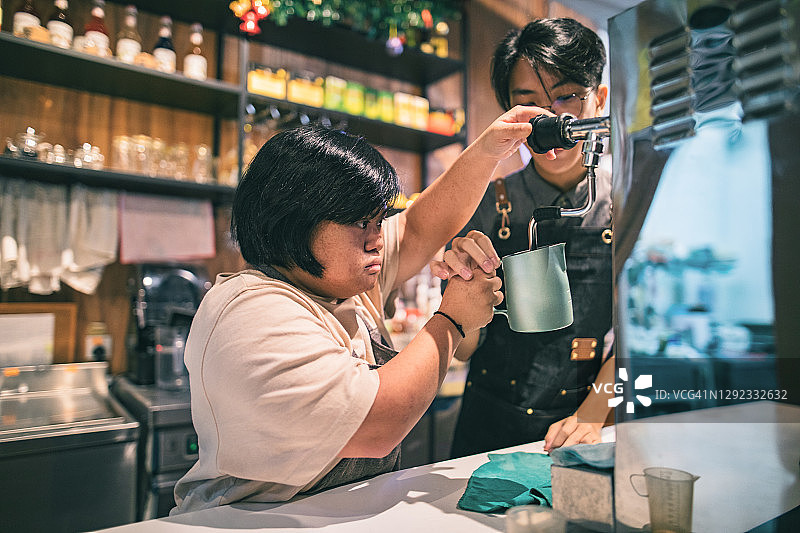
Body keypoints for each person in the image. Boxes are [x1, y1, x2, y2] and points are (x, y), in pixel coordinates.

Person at [171, 107, 542, 513]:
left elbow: (420, 226)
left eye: (379, 221)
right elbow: (375, 425)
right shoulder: (250, 312)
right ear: (294, 222)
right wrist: (452, 320)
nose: (376, 240)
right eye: (359, 223)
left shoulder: (338, 280)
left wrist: (489, 151)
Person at [430, 17, 616, 457]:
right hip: (488, 427)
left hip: (584, 424)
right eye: (530, 104)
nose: (551, 119)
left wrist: (593, 414)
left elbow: (638, 343)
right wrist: (464, 289)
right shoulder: (487, 202)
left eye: (567, 96)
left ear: (600, 100)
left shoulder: (624, 207)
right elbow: (462, 350)